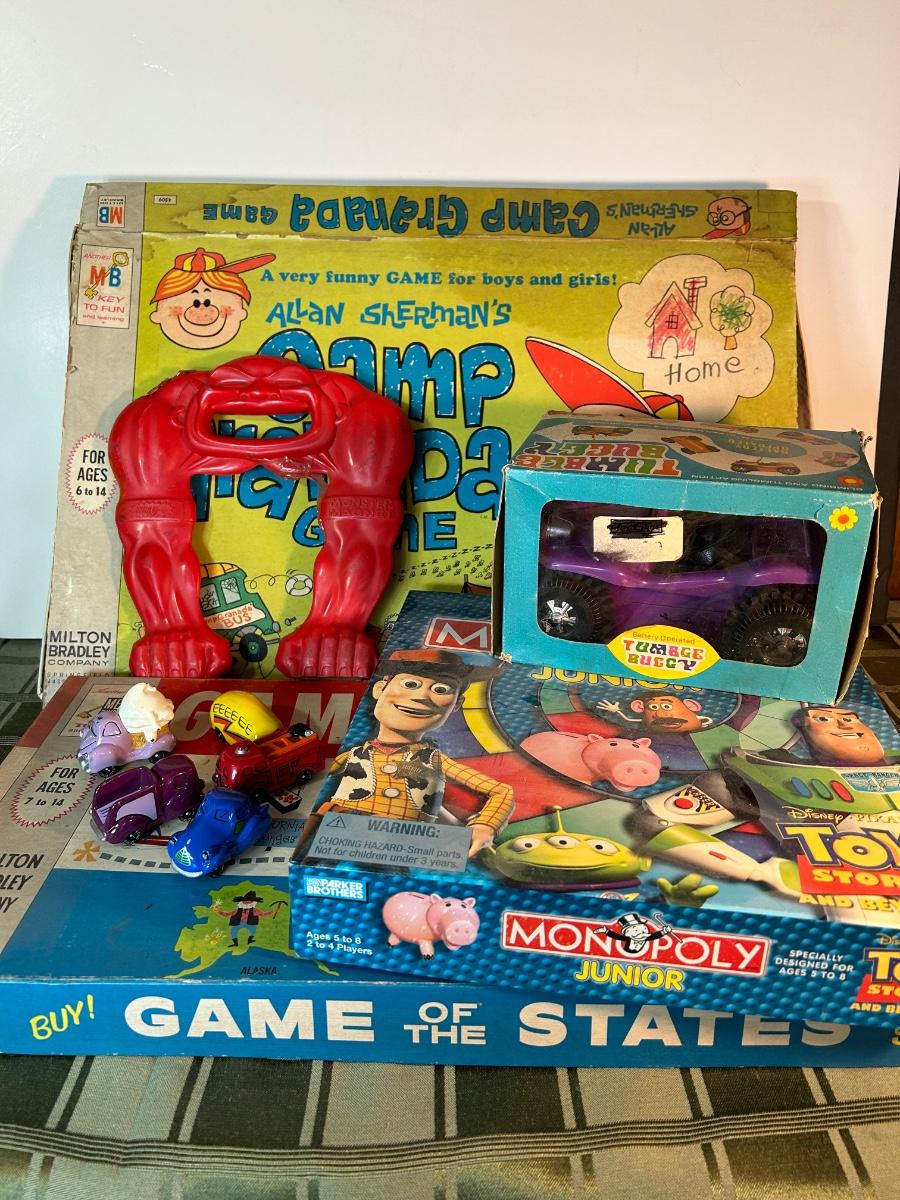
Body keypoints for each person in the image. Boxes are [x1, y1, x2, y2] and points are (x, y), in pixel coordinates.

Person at [310, 648, 514, 857]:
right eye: (410, 684)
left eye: (441, 689)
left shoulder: (434, 760)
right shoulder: (354, 753)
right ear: (380, 689)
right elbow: (311, 776)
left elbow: (502, 791)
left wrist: (485, 826)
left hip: (401, 845)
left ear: (456, 704)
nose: (421, 696)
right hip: (337, 830)